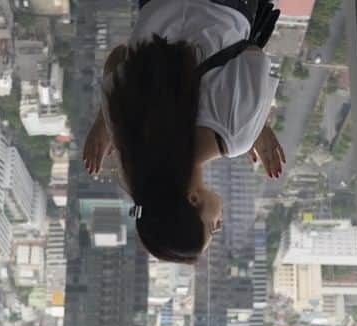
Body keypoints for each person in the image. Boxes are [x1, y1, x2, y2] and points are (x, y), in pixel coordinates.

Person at [82, 0, 287, 264]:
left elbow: (252, 55)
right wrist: (105, 122)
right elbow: (118, 57)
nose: (220, 223)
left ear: (192, 199)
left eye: (213, 227)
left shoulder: (233, 135)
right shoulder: (128, 129)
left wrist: (256, 122)